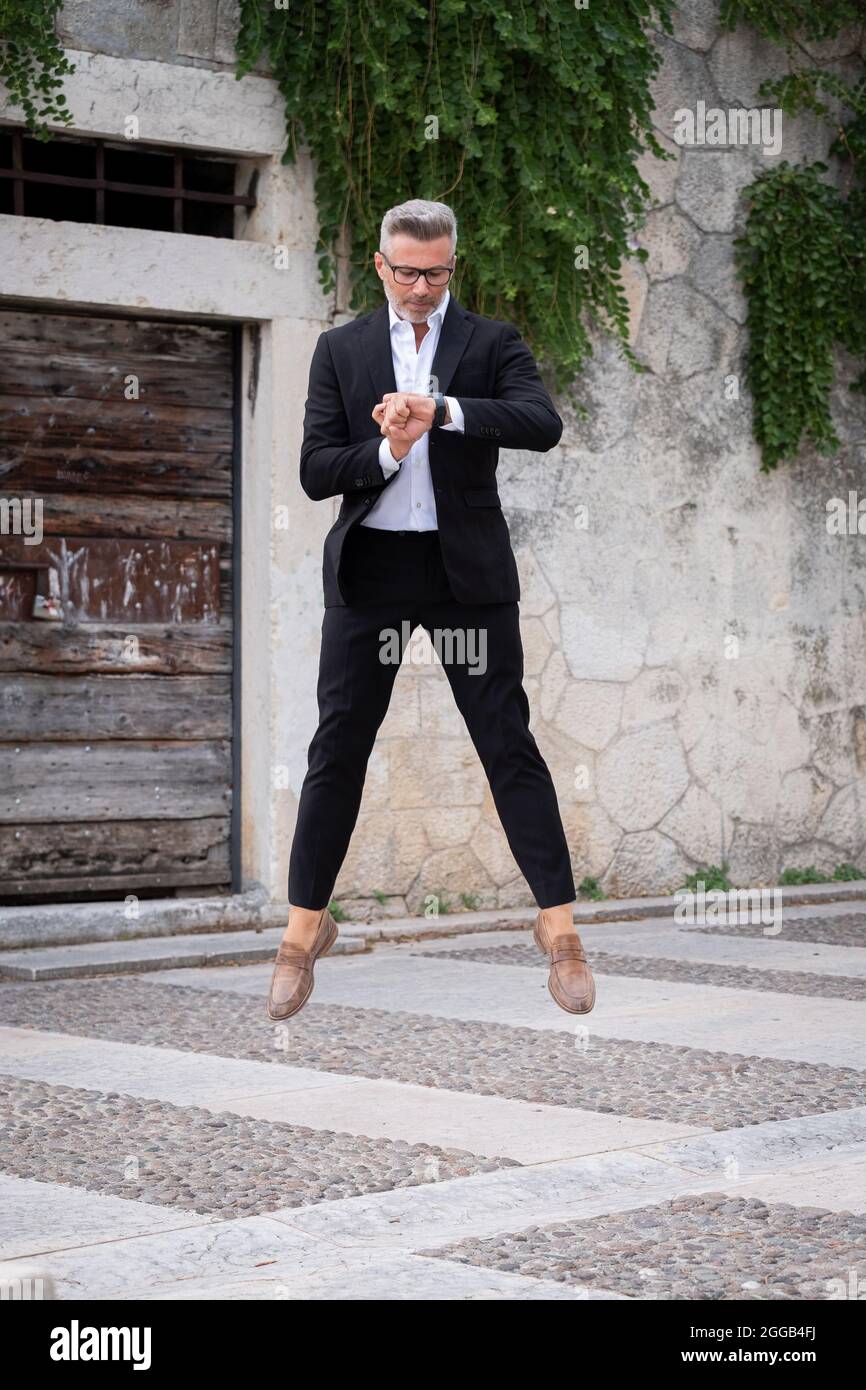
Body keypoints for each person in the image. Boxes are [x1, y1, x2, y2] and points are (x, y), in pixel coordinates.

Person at [267, 199, 596, 1021]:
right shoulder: (339, 351)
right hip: (373, 575)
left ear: (454, 266)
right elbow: (314, 470)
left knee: (506, 745)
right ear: (380, 265)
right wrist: (387, 448)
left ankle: (560, 932)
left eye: (437, 271)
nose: (421, 286)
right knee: (337, 749)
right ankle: (302, 936)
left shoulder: (491, 343)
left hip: (464, 582)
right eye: (407, 271)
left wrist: (441, 412)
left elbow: (541, 424)